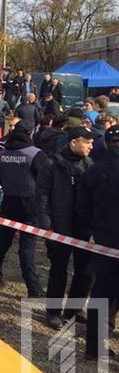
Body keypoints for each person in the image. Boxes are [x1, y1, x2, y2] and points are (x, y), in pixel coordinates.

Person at [35, 126, 95, 328]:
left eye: (92, 142)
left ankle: (74, 309)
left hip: (83, 229)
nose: (91, 146)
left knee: (85, 271)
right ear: (74, 142)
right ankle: (53, 312)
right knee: (58, 270)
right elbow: (42, 196)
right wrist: (47, 227)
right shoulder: (52, 164)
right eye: (87, 142)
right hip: (59, 228)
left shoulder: (89, 164)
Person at [0, 123, 46, 296]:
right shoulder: (35, 154)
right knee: (26, 250)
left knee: (0, 245)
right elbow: (44, 178)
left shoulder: (2, 153)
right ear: (29, 133)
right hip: (30, 206)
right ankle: (34, 290)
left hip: (8, 203)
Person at [80, 124, 119, 359]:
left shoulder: (93, 171)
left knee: (101, 292)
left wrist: (91, 231)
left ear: (105, 143)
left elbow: (82, 206)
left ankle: (93, 348)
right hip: (106, 237)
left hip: (103, 240)